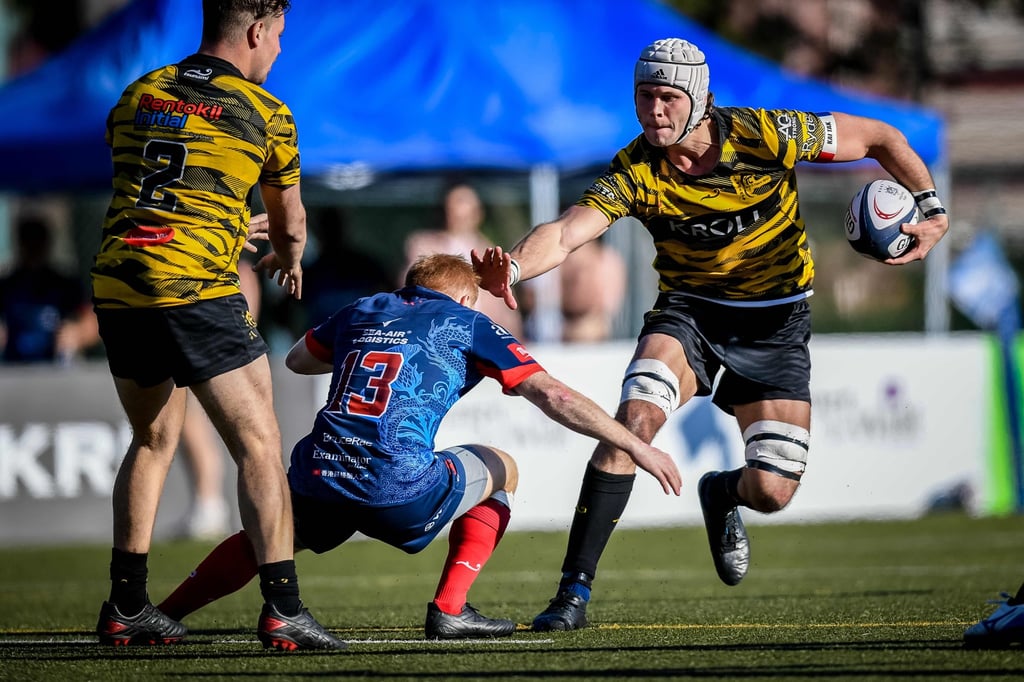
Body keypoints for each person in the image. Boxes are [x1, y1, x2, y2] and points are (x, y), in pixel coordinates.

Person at [473, 37, 950, 632]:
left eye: (668, 97)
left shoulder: (768, 133)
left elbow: (880, 138)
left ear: (700, 101)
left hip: (777, 323)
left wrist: (931, 208)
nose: (654, 111)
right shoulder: (635, 169)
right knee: (630, 427)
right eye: (644, 97)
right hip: (690, 315)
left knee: (773, 491)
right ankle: (572, 595)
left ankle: (722, 493)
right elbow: (569, 232)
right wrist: (513, 266)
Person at [154, 254, 682, 639]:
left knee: (262, 538)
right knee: (504, 467)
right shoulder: (470, 322)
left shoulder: (363, 308)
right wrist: (635, 446)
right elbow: (554, 394)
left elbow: (297, 359)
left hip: (322, 473)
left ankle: (165, 613)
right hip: (395, 488)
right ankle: (450, 608)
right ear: (467, 297)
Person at [90, 0, 344, 651]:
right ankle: (284, 608)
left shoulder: (138, 93)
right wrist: (287, 258)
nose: (280, 50)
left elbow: (151, 188)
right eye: (280, 37)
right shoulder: (267, 113)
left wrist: (224, 222)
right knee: (259, 443)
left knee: (151, 436)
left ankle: (125, 604)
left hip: (120, 283)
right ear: (257, 31)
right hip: (194, 288)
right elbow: (289, 222)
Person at [177, 246, 263, 540]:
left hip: (222, 356)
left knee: (245, 437)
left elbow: (244, 318)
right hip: (219, 353)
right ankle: (209, 504)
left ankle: (210, 505)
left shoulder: (237, 269)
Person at [403, 180, 525, 339]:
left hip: (485, 338)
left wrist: (515, 340)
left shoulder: (489, 250)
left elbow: (507, 305)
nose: (456, 210)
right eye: (453, 203)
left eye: (463, 203)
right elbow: (410, 290)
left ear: (478, 212)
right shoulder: (422, 245)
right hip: (437, 334)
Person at [0, 215, 99, 364]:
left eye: (37, 241)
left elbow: (95, 320)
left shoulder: (65, 285)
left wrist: (77, 334)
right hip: (12, 368)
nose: (33, 248)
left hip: (55, 369)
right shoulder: (6, 285)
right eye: (28, 241)